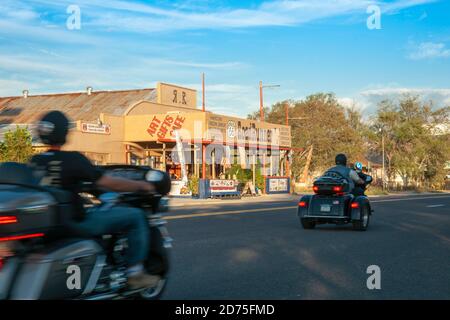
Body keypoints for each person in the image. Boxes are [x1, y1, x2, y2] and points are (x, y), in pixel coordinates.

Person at [28, 111, 159, 290]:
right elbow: (110, 183)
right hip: (75, 223)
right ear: (64, 133)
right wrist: (141, 185)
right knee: (135, 216)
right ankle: (134, 273)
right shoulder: (73, 159)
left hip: (48, 227)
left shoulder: (34, 161)